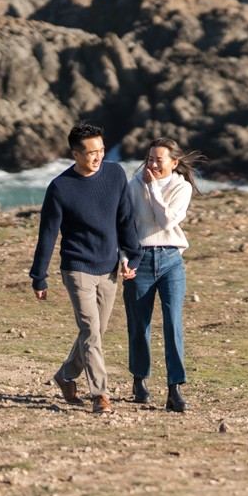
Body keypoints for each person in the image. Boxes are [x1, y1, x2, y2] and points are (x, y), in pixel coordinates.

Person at [29, 121, 142, 414]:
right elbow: (48, 234)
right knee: (90, 330)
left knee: (98, 330)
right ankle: (100, 395)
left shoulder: (115, 174)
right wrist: (39, 276)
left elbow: (125, 218)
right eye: (91, 152)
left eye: (102, 150)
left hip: (109, 267)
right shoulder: (60, 188)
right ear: (75, 154)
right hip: (77, 266)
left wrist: (132, 255)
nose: (98, 157)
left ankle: (65, 375)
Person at [121, 137, 205, 412]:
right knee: (139, 324)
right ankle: (139, 380)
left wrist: (153, 188)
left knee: (173, 324)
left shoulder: (182, 188)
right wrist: (123, 258)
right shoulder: (134, 186)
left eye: (159, 159)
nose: (153, 164)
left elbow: (166, 219)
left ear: (174, 163)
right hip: (140, 260)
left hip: (171, 261)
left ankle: (174, 388)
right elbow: (124, 226)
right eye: (150, 159)